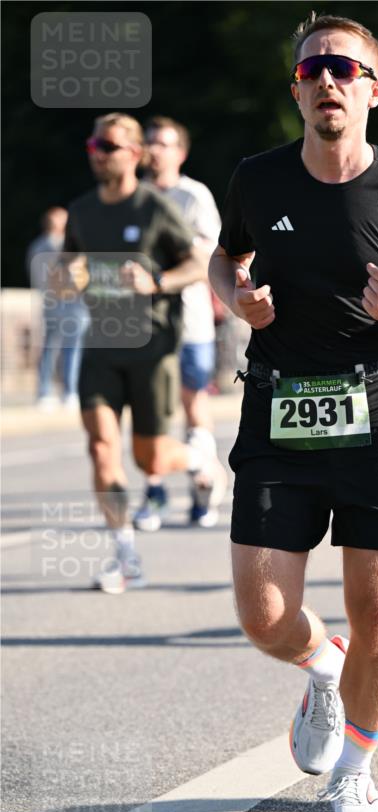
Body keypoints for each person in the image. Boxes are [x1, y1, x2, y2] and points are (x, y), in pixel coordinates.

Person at [209, 13, 378, 812]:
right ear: (296, 85)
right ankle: (324, 669)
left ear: (373, 91)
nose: (328, 79)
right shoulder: (258, 178)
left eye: (345, 69)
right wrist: (234, 296)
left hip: (376, 407)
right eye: (312, 67)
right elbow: (228, 255)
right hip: (280, 403)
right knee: (261, 615)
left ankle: (355, 775)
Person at [63, 112, 225, 594]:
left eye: (108, 146)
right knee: (100, 448)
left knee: (150, 460)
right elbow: (70, 266)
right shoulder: (82, 211)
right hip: (100, 347)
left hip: (152, 348)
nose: (98, 153)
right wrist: (68, 279)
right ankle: (125, 554)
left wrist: (156, 281)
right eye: (94, 145)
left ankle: (198, 463)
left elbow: (199, 262)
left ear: (134, 153)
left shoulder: (156, 208)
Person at [133, 116, 226, 530]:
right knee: (149, 411)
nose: (154, 150)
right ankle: (153, 493)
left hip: (190, 321)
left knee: (192, 404)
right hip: (142, 324)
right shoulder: (132, 196)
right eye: (149, 142)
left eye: (163, 143)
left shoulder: (194, 196)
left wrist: (164, 267)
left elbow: (210, 256)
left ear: (180, 153)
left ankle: (202, 486)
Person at [26, 206, 89, 410]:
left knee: (50, 347)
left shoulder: (36, 246)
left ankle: (45, 392)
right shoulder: (66, 246)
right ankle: (69, 391)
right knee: (69, 348)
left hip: (51, 302)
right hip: (68, 303)